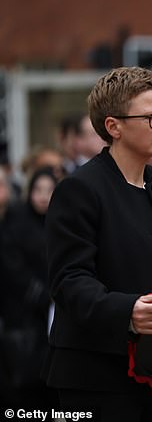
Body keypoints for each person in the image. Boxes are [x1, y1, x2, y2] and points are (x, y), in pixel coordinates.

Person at [45, 66, 152, 421]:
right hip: (98, 375)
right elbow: (69, 281)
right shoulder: (80, 190)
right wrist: (127, 312)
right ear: (114, 127)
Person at [0, 168, 58, 407]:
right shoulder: (16, 224)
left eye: (49, 190)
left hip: (55, 317)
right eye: (38, 190)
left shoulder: (62, 223)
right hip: (24, 319)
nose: (43, 196)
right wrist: (44, 295)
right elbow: (14, 271)